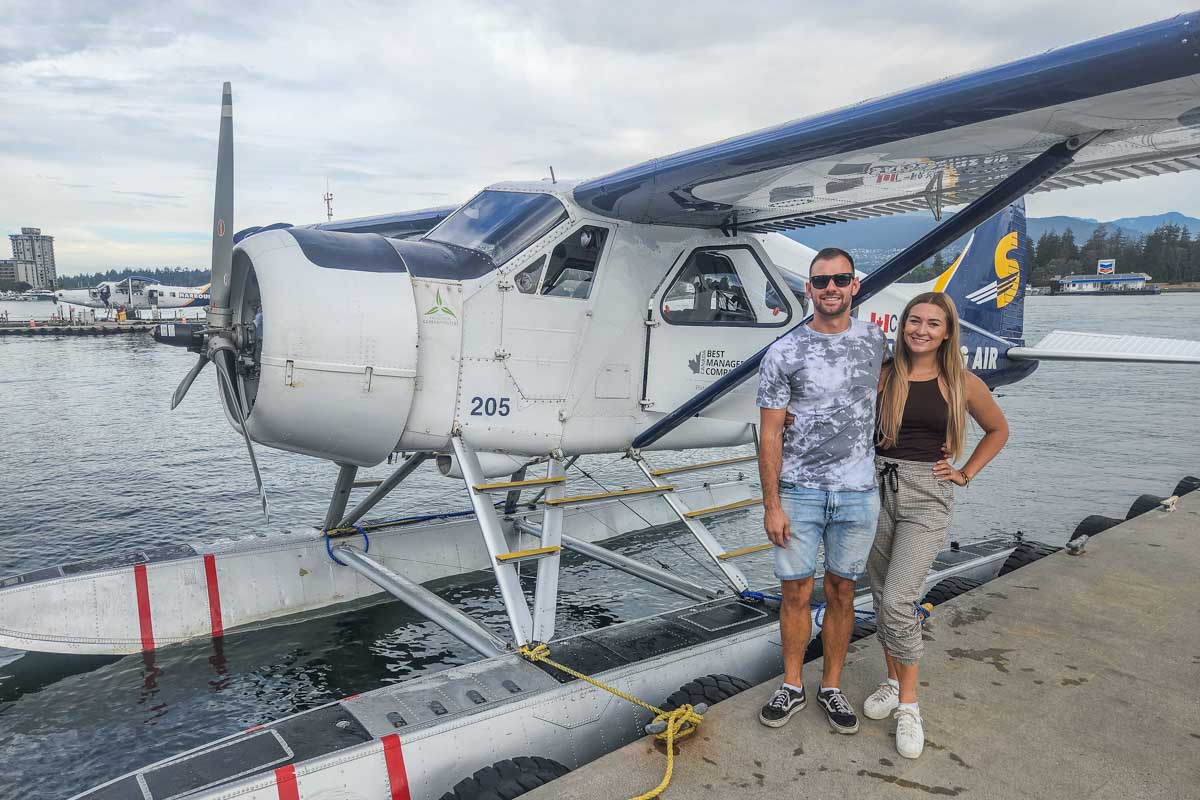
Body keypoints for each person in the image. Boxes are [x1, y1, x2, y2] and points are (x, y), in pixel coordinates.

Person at [861, 291, 1008, 759]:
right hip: (875, 488)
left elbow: (998, 430)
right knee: (883, 595)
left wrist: (965, 473)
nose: (920, 330)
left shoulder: (961, 383)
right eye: (913, 321)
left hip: (927, 494)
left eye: (932, 324)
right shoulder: (884, 375)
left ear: (947, 333)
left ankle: (910, 706)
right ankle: (890, 680)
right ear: (903, 326)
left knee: (902, 599)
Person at [756, 247, 888, 734]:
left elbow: (915, 381)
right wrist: (772, 505)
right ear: (808, 289)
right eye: (821, 281)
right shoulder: (784, 352)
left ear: (855, 286)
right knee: (794, 591)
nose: (831, 288)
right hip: (799, 490)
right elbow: (769, 433)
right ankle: (792, 684)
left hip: (856, 492)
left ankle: (830, 686)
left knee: (843, 590)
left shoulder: (877, 340)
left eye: (841, 279)